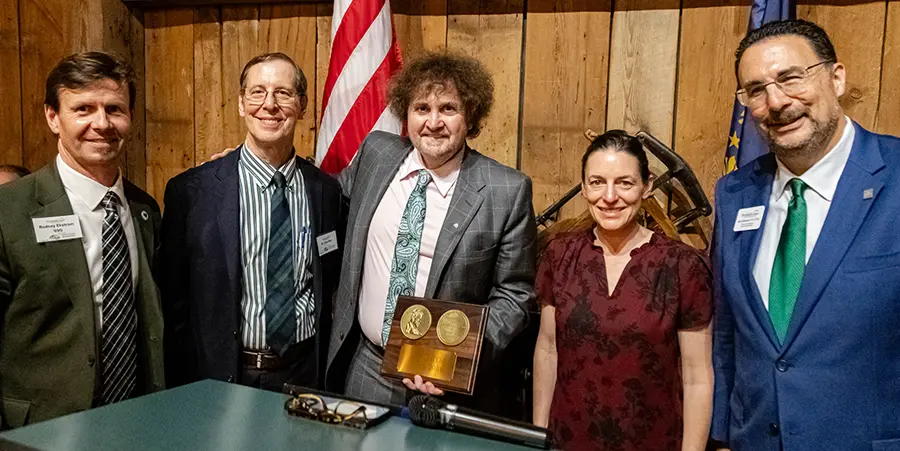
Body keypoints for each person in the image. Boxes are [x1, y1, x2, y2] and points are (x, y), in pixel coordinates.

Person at [711, 19, 900, 451]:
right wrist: (721, 436)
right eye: (756, 90)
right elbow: (727, 333)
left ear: (836, 77)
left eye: (790, 79)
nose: (775, 102)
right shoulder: (735, 194)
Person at [325, 52, 537, 415]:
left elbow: (515, 293)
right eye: (421, 108)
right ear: (405, 114)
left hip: (448, 385)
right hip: (365, 366)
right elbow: (322, 199)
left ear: (470, 116)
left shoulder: (506, 190)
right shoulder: (376, 154)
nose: (433, 122)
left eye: (448, 108)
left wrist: (462, 355)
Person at [159, 53, 345, 392]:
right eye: (257, 92)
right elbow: (174, 302)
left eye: (283, 93)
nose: (269, 105)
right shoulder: (193, 192)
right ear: (242, 104)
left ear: (302, 105)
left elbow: (331, 279)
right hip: (224, 375)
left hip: (305, 374)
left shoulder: (326, 191)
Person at [0, 52, 164, 428]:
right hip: (39, 429)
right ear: (53, 117)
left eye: (114, 109)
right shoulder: (9, 210)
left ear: (131, 117)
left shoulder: (144, 209)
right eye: (83, 109)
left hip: (136, 419)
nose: (101, 124)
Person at [532, 130, 713, 451]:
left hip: (652, 440)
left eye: (625, 183)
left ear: (647, 185)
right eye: (598, 182)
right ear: (585, 188)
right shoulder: (561, 257)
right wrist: (538, 436)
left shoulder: (682, 266)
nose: (610, 196)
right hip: (569, 439)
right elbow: (548, 350)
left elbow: (697, 375)